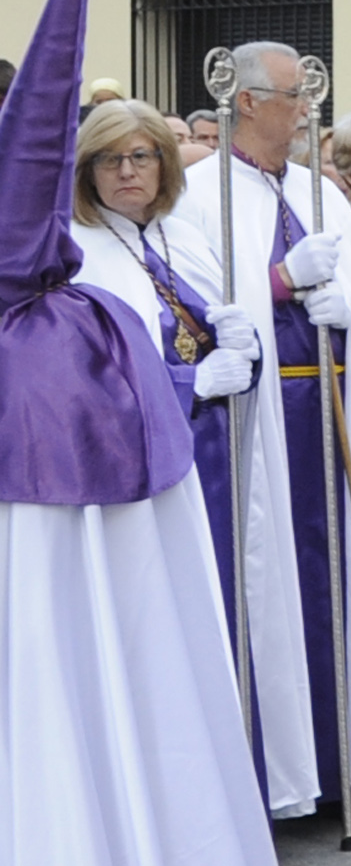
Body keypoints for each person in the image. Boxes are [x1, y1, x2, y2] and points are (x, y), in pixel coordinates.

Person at [0, 0, 297, 866]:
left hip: (55, 626)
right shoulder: (69, 321)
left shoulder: (61, 332)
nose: (129, 173)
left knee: (65, 750)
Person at [179, 41, 351, 822]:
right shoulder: (195, 195)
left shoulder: (316, 190)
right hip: (260, 425)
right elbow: (192, 308)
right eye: (292, 97)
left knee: (346, 584)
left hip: (334, 407)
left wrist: (348, 310)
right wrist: (280, 284)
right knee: (275, 591)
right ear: (246, 102)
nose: (304, 113)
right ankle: (286, 776)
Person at [68, 101, 265, 625]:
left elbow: (223, 332)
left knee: (219, 595)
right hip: (138, 464)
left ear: (165, 164)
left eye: (140, 155)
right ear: (86, 171)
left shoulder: (184, 236)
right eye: (109, 160)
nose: (127, 171)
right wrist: (189, 382)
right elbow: (77, 375)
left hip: (215, 453)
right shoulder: (75, 253)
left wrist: (248, 347)